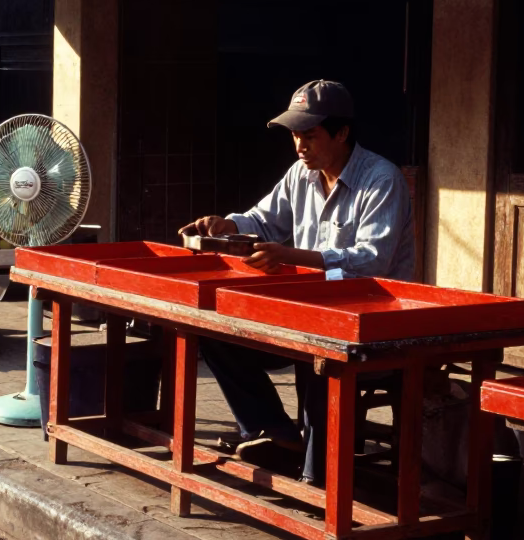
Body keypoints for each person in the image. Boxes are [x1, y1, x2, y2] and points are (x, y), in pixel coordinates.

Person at [178, 79, 415, 485]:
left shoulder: (381, 180)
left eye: (309, 136)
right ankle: (275, 432)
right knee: (215, 334)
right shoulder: (300, 174)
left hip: (371, 322)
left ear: (341, 133)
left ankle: (317, 480)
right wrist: (228, 224)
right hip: (308, 310)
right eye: (294, 137)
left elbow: (370, 262)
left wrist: (291, 256)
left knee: (323, 358)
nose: (300, 147)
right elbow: (264, 219)